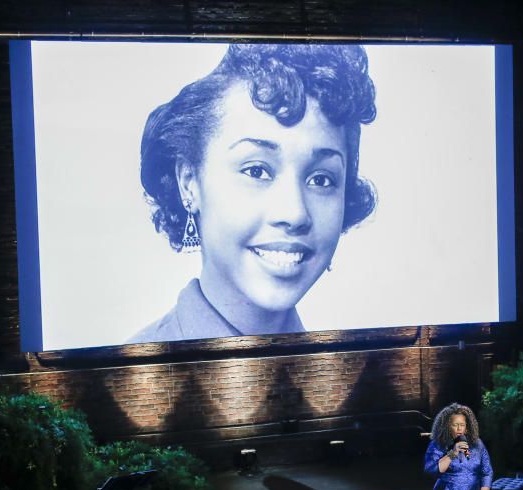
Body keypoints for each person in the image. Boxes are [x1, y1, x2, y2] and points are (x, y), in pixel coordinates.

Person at [130, 43, 378, 343]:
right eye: (257, 171)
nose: (295, 213)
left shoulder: (355, 377)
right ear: (188, 180)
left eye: (321, 179)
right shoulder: (120, 379)